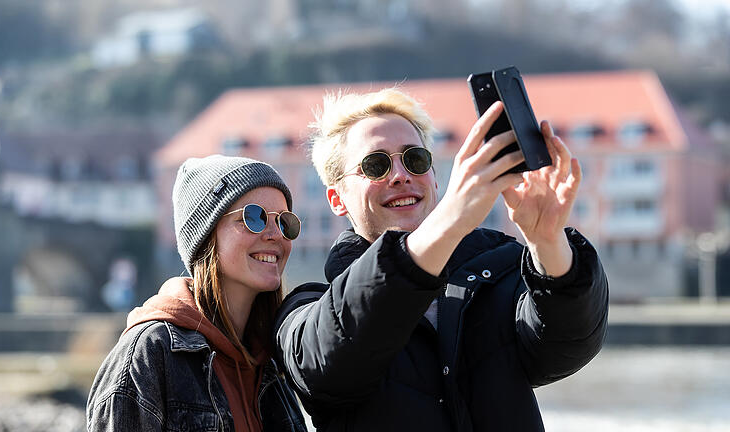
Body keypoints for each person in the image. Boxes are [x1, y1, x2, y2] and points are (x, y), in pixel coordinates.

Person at [274, 88, 609, 431]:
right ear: (336, 198)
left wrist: (547, 240)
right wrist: (450, 220)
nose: (401, 175)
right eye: (376, 165)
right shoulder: (307, 308)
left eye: (415, 159)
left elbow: (566, 346)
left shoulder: (499, 270)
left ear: (433, 176)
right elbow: (329, 360)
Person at [87, 155, 308, 432]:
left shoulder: (271, 362)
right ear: (206, 234)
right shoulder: (149, 356)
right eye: (254, 217)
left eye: (285, 222)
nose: (276, 235)